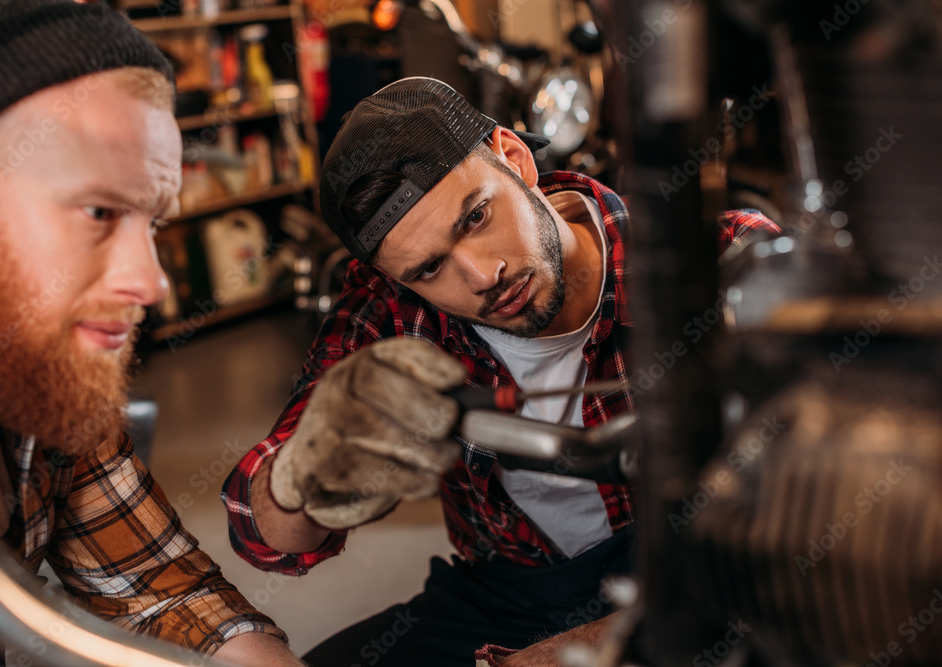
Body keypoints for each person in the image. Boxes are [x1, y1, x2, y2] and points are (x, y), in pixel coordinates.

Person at [223, 76, 780, 666]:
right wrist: (306, 477)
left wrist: (565, 654)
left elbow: (828, 518)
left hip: (703, 565)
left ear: (514, 158)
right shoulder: (391, 315)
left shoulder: (723, 264)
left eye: (477, 216)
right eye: (430, 268)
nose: (482, 274)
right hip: (513, 589)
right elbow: (264, 538)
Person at [0, 1, 305, 665]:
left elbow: (157, 591)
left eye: (153, 223)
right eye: (99, 210)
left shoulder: (42, 378)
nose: (153, 281)